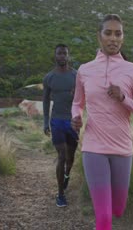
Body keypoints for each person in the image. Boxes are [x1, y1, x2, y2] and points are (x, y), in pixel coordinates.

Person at [71, 14, 133, 229]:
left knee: (118, 209)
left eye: (118, 33)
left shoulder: (132, 70)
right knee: (105, 217)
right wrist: (76, 117)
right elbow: (77, 103)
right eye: (108, 33)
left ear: (123, 38)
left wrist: (124, 99)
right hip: (93, 147)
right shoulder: (84, 70)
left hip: (122, 148)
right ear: (99, 36)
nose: (113, 38)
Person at [43, 44, 78, 208]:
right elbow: (45, 100)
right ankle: (60, 194)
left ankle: (66, 175)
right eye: (59, 53)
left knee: (70, 158)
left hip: (72, 121)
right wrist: (45, 121)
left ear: (68, 55)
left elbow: (83, 97)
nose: (62, 56)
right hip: (56, 121)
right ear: (55, 55)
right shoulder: (49, 77)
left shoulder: (77, 75)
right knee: (62, 156)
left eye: (65, 53)